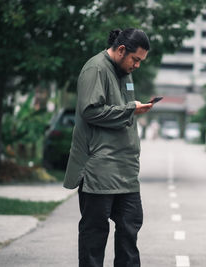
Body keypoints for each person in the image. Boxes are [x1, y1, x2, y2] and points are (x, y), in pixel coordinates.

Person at [63, 28, 152, 267]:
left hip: (126, 171)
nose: (137, 65)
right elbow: (90, 111)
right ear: (121, 50)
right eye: (135, 59)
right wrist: (130, 109)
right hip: (99, 169)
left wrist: (134, 108)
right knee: (95, 234)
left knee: (130, 229)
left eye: (141, 61)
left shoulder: (125, 72)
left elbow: (124, 109)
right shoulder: (96, 69)